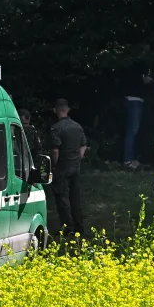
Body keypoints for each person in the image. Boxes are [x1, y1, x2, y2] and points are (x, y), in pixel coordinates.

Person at [49, 99, 87, 236]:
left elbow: (55, 151)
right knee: (75, 197)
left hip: (62, 167)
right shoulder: (77, 126)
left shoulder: (55, 128)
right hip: (75, 167)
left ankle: (67, 227)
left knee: (62, 198)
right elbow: (83, 145)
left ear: (55, 110)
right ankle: (79, 226)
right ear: (68, 109)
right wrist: (79, 157)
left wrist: (54, 165)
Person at [121, 68, 153, 169]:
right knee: (133, 130)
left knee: (133, 130)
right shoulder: (135, 66)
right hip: (134, 99)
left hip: (135, 99)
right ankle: (128, 160)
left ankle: (131, 159)